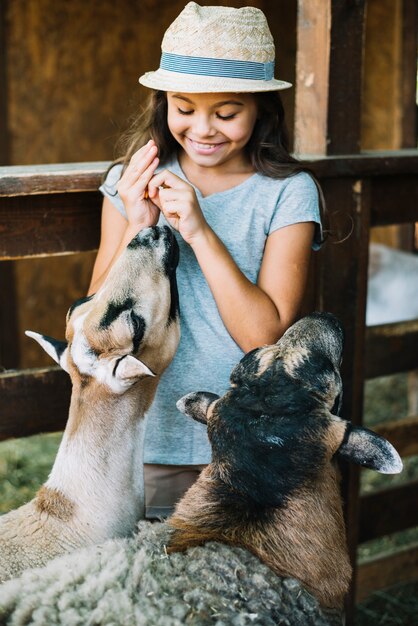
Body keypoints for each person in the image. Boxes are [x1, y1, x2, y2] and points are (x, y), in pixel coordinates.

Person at [88, 2, 323, 519]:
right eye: (184, 106)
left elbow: (264, 337)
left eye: (227, 111)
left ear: (261, 108)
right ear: (163, 102)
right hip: (142, 433)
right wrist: (138, 224)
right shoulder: (130, 181)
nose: (203, 128)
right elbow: (95, 325)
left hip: (242, 441)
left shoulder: (287, 194)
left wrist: (198, 229)